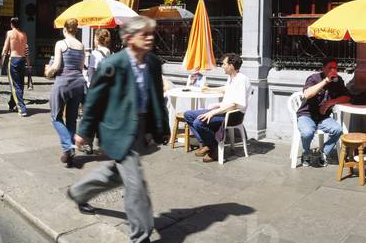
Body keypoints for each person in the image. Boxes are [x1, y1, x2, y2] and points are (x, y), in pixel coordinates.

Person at [67, 16, 167, 243]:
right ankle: (140, 236)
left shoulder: (152, 62)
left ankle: (79, 192)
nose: (150, 38)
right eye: (145, 34)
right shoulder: (112, 64)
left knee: (115, 173)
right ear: (130, 38)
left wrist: (161, 127)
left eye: (151, 33)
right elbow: (94, 100)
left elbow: (155, 97)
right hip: (118, 128)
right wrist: (84, 131)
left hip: (141, 128)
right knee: (136, 184)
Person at [183, 53, 250, 163]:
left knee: (198, 122)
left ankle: (214, 150)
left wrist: (212, 113)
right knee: (188, 115)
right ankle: (208, 144)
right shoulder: (232, 78)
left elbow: (234, 105)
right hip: (224, 111)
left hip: (232, 116)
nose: (222, 66)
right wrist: (209, 89)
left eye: (224, 64)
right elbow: (226, 88)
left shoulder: (241, 80)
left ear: (231, 65)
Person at [45, 19, 87, 167]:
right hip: (78, 83)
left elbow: (56, 66)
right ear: (76, 30)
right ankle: (71, 154)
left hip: (63, 82)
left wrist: (48, 71)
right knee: (71, 118)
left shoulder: (61, 44)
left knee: (55, 116)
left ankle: (67, 146)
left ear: (64, 30)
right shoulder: (81, 45)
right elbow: (81, 67)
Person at [298, 58, 350, 167]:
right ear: (323, 68)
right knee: (307, 132)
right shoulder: (313, 78)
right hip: (307, 114)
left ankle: (324, 152)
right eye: (330, 68)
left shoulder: (338, 80)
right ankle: (306, 153)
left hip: (323, 117)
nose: (333, 70)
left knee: (338, 130)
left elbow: (347, 97)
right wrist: (326, 81)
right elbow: (307, 94)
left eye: (335, 68)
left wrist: (330, 102)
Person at [1, 17, 30, 116]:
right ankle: (12, 103)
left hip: (13, 59)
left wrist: (1, 60)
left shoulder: (10, 33)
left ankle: (22, 108)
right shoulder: (24, 34)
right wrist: (28, 64)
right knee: (20, 84)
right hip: (22, 59)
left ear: (12, 24)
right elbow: (26, 50)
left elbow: (5, 49)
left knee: (14, 85)